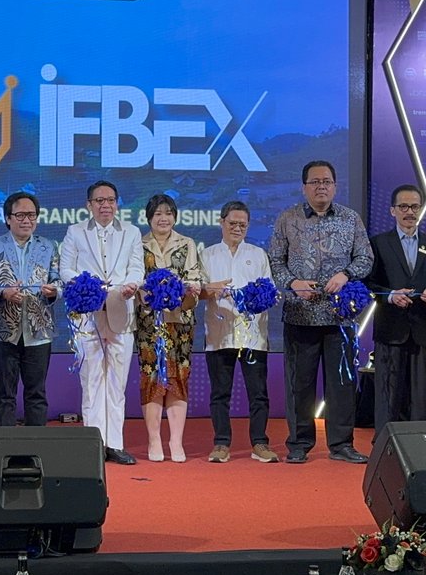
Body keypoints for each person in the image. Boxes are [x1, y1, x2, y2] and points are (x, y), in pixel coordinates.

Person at [268, 160, 374, 464]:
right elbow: (275, 261)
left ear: (335, 186)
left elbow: (365, 258)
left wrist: (346, 274)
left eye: (326, 181)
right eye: (315, 182)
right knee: (299, 384)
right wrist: (293, 283)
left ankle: (341, 444)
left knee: (342, 383)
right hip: (300, 314)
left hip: (340, 316)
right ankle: (299, 444)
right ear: (304, 187)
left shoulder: (350, 219)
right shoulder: (287, 218)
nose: (321, 187)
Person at [60, 180, 145, 465]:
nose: (105, 205)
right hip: (88, 314)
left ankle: (115, 445)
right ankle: (94, 444)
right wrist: (87, 286)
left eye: (110, 200)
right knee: (92, 381)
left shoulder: (132, 232)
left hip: (121, 310)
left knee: (117, 383)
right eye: (99, 200)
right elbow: (65, 269)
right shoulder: (75, 232)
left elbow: (137, 268)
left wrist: (130, 285)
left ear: (117, 204)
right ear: (89, 205)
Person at [200, 200, 278, 464]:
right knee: (220, 393)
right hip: (219, 334)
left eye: (242, 225)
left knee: (258, 394)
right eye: (232, 223)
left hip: (253, 335)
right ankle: (221, 444)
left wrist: (255, 298)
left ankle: (260, 443)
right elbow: (197, 292)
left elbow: (270, 292)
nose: (237, 228)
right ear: (221, 222)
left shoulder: (258, 254)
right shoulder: (207, 255)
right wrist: (211, 289)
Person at [366, 184, 426, 437]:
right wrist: (390, 296)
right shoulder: (378, 243)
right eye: (403, 206)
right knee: (387, 394)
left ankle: (420, 445)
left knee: (421, 395)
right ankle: (384, 444)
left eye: (414, 206)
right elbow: (368, 283)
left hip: (423, 329)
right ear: (393, 210)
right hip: (390, 329)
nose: (409, 212)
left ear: (421, 209)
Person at [0, 191, 60, 428]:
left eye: (31, 215)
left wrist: (54, 291)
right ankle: (4, 445)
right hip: (2, 331)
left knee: (37, 393)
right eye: (20, 215)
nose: (27, 220)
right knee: (5, 395)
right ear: (8, 218)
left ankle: (36, 444)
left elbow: (58, 280)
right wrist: (2, 293)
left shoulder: (48, 246)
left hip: (39, 330)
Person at [134, 194, 204, 462]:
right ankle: (154, 440)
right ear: (148, 218)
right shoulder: (139, 244)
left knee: (178, 377)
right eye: (158, 214)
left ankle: (176, 441)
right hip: (149, 323)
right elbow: (135, 280)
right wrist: (148, 296)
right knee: (151, 377)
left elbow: (195, 279)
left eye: (168, 213)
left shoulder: (187, 243)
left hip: (180, 322)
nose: (163, 218)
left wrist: (187, 291)